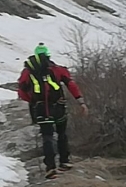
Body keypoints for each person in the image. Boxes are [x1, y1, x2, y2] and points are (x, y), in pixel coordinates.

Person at [17, 43, 88, 179]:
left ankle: (50, 168)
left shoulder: (27, 71)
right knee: (62, 134)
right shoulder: (57, 69)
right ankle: (64, 162)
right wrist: (81, 101)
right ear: (48, 55)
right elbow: (71, 84)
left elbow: (21, 90)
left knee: (47, 137)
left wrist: (33, 101)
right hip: (58, 106)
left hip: (41, 107)